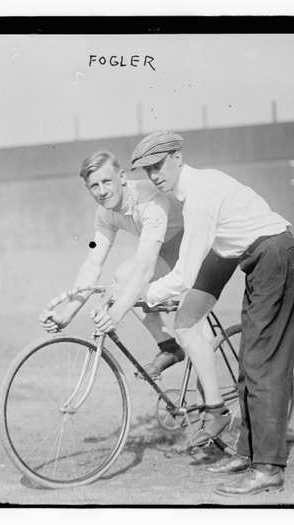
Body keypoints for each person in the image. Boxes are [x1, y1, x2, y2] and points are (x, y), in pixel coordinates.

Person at [131, 131, 294, 497]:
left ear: (177, 156)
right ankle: (247, 452)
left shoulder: (199, 196)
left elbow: (185, 273)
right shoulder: (196, 189)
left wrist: (146, 293)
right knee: (249, 362)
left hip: (276, 257)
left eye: (159, 165)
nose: (154, 175)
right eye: (148, 170)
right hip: (256, 260)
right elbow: (213, 261)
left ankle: (268, 469)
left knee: (262, 364)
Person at [39, 150, 186, 379]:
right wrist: (67, 314)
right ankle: (169, 347)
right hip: (161, 249)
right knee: (122, 279)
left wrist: (116, 314)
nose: (102, 191)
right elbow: (93, 262)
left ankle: (211, 401)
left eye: (107, 181)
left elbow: (144, 269)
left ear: (123, 177)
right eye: (94, 186)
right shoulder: (105, 213)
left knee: (127, 278)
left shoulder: (148, 198)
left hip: (189, 245)